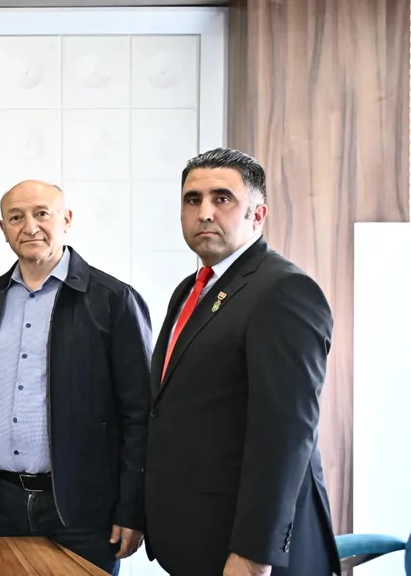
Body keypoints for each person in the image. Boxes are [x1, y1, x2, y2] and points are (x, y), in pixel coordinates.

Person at [144, 148, 340, 576]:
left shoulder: (284, 291)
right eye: (192, 200)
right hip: (198, 538)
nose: (205, 212)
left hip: (249, 552)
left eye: (222, 198)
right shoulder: (191, 289)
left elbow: (284, 435)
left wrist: (254, 554)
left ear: (258, 214)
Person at [0, 181, 152, 575]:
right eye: (16, 217)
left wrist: (132, 508)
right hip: (0, 505)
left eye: (41, 214)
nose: (30, 227)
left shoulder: (114, 300)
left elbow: (141, 413)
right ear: (3, 229)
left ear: (66, 219)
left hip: (84, 510)